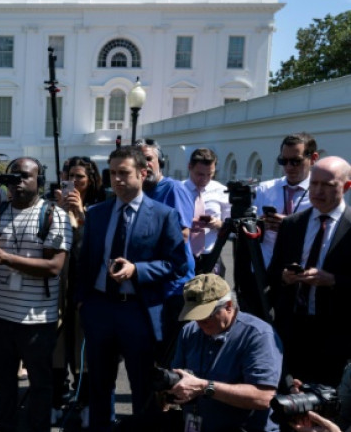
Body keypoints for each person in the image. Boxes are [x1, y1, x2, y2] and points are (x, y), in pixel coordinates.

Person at [74, 146, 187, 432]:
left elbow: (177, 265)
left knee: (142, 386)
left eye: (124, 173)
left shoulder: (164, 215)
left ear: (143, 173)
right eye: (112, 173)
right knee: (99, 383)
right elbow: (84, 262)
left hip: (138, 311)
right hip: (99, 309)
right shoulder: (97, 214)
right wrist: (83, 303)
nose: (117, 179)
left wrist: (138, 270)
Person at [0, 157, 72, 432]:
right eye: (13, 177)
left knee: (40, 385)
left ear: (39, 182)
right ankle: (6, 425)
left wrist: (6, 258)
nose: (17, 182)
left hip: (36, 320)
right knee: (4, 383)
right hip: (0, 317)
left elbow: (54, 267)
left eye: (25, 177)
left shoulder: (54, 215)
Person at [268, 156, 351, 388]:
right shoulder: (292, 224)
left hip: (335, 335)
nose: (318, 190)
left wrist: (333, 281)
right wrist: (284, 277)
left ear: (346, 187)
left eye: (327, 185)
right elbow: (272, 273)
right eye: (314, 183)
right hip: (291, 330)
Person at [167, 274, 282, 432]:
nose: (200, 323)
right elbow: (177, 377)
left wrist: (205, 387)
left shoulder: (258, 335)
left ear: (228, 306)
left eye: (205, 316)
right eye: (194, 316)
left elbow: (263, 397)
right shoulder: (190, 331)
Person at [53, 156, 106, 427]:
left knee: (82, 347)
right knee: (59, 345)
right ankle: (58, 397)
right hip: (59, 288)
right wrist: (59, 213)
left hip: (86, 289)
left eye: (80, 177)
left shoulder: (99, 208)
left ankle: (84, 399)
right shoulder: (54, 206)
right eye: (69, 176)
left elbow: (98, 246)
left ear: (91, 180)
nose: (74, 182)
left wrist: (82, 215)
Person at [135, 139, 195, 364]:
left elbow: (182, 235)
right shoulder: (137, 194)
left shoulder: (173, 189)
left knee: (170, 353)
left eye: (149, 158)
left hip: (173, 288)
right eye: (139, 160)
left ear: (160, 162)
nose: (145, 164)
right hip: (148, 285)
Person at [255, 132, 318, 268]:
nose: (289, 167)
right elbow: (248, 231)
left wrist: (289, 227)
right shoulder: (264, 189)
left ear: (313, 158)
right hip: (263, 268)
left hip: (301, 272)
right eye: (283, 161)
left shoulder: (321, 194)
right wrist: (261, 225)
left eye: (296, 161)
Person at [183, 148, 231, 273]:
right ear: (189, 167)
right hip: (183, 256)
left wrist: (218, 224)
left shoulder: (221, 191)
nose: (204, 179)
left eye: (210, 174)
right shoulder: (178, 190)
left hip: (211, 256)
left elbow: (231, 225)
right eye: (200, 174)